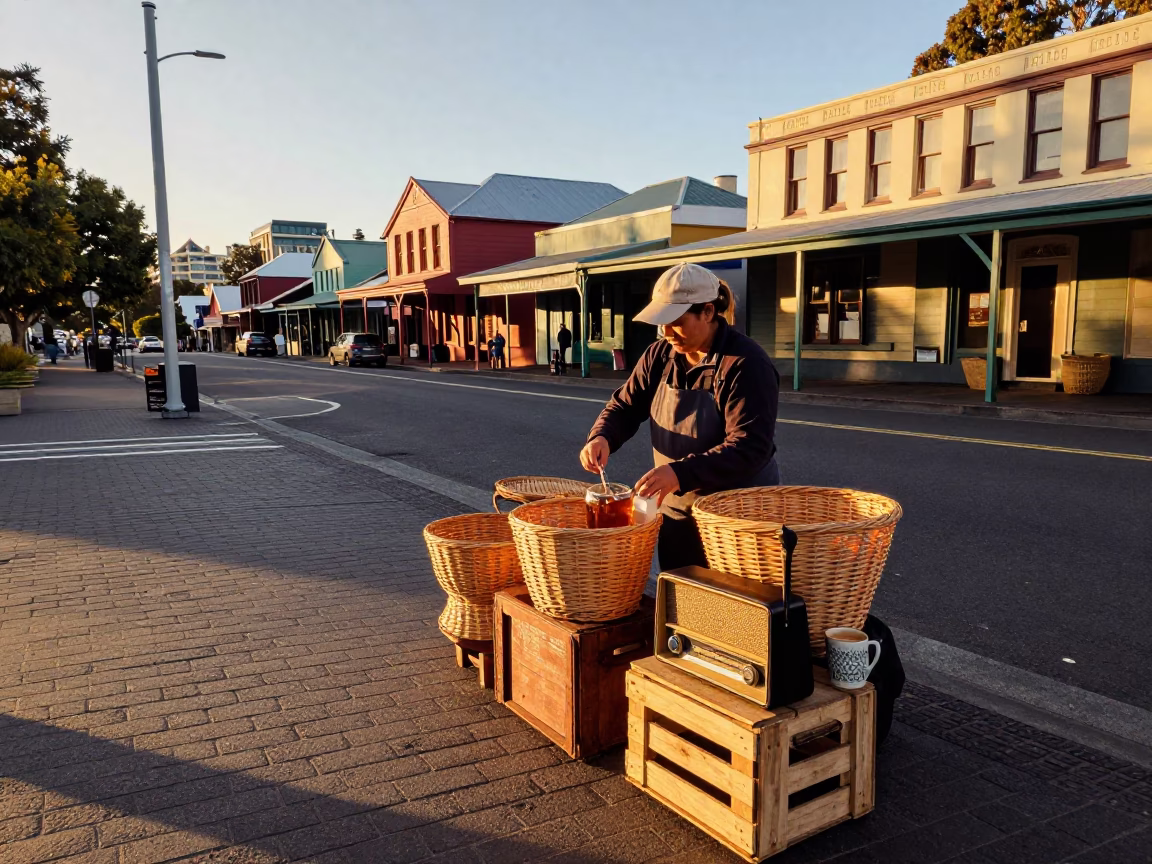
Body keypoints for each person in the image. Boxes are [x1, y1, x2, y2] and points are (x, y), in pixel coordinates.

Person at [579, 262, 780, 570]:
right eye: (662, 323)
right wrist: (602, 435)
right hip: (676, 505)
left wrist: (679, 473)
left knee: (733, 608)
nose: (667, 332)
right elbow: (625, 405)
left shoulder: (746, 364)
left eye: (676, 321)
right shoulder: (659, 356)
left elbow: (750, 445)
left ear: (709, 312)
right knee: (682, 595)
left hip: (737, 518)